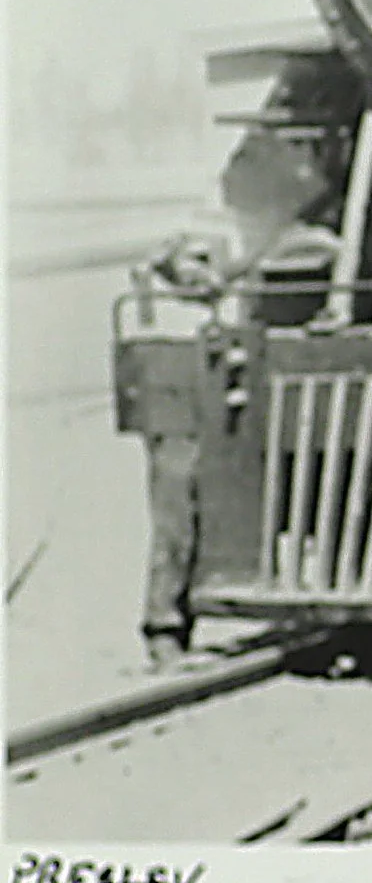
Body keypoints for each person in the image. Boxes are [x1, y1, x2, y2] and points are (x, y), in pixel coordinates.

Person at [119, 230, 240, 667]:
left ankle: (181, 621)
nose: (206, 271)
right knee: (176, 519)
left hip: (207, 420)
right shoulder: (154, 307)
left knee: (204, 516)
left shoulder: (216, 303)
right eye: (196, 259)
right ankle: (164, 630)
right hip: (175, 423)